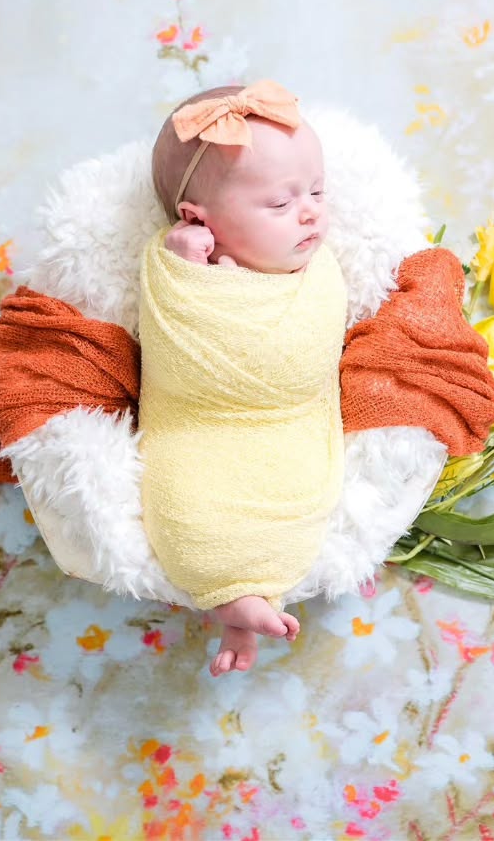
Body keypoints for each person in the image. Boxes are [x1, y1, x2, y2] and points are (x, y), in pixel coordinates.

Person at [140, 80, 346, 677]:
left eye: (315, 191)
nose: (308, 211)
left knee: (295, 505)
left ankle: (250, 602)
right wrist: (185, 271)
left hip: (290, 421)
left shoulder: (315, 269)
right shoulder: (180, 267)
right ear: (196, 220)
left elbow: (318, 344)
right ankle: (232, 599)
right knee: (188, 510)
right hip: (198, 423)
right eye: (279, 205)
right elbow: (171, 346)